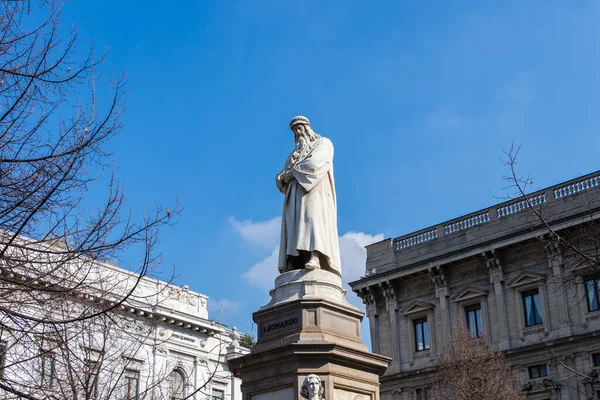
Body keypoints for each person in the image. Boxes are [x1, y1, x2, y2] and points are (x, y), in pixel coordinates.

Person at [276, 116, 341, 276]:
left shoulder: (323, 143)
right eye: (295, 131)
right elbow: (283, 175)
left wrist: (291, 173)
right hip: (294, 195)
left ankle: (316, 255)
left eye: (300, 129)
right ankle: (294, 258)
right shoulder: (294, 154)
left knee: (313, 221)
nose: (298, 133)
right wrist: (284, 176)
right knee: (294, 225)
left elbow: (314, 164)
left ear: (307, 128)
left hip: (315, 191)